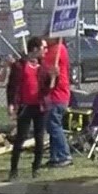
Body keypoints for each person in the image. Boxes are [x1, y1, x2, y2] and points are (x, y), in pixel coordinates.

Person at [5, 36, 48, 181]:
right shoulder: (19, 66)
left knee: (40, 138)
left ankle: (36, 168)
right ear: (35, 49)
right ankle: (13, 169)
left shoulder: (43, 67)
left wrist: (55, 76)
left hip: (39, 106)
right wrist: (11, 104)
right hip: (25, 106)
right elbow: (12, 87)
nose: (45, 51)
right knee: (20, 138)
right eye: (44, 48)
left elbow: (48, 86)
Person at [42, 34, 74, 167]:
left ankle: (64, 155)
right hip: (53, 95)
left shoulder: (56, 50)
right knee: (51, 126)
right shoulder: (55, 49)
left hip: (57, 94)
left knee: (54, 125)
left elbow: (45, 68)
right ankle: (55, 157)